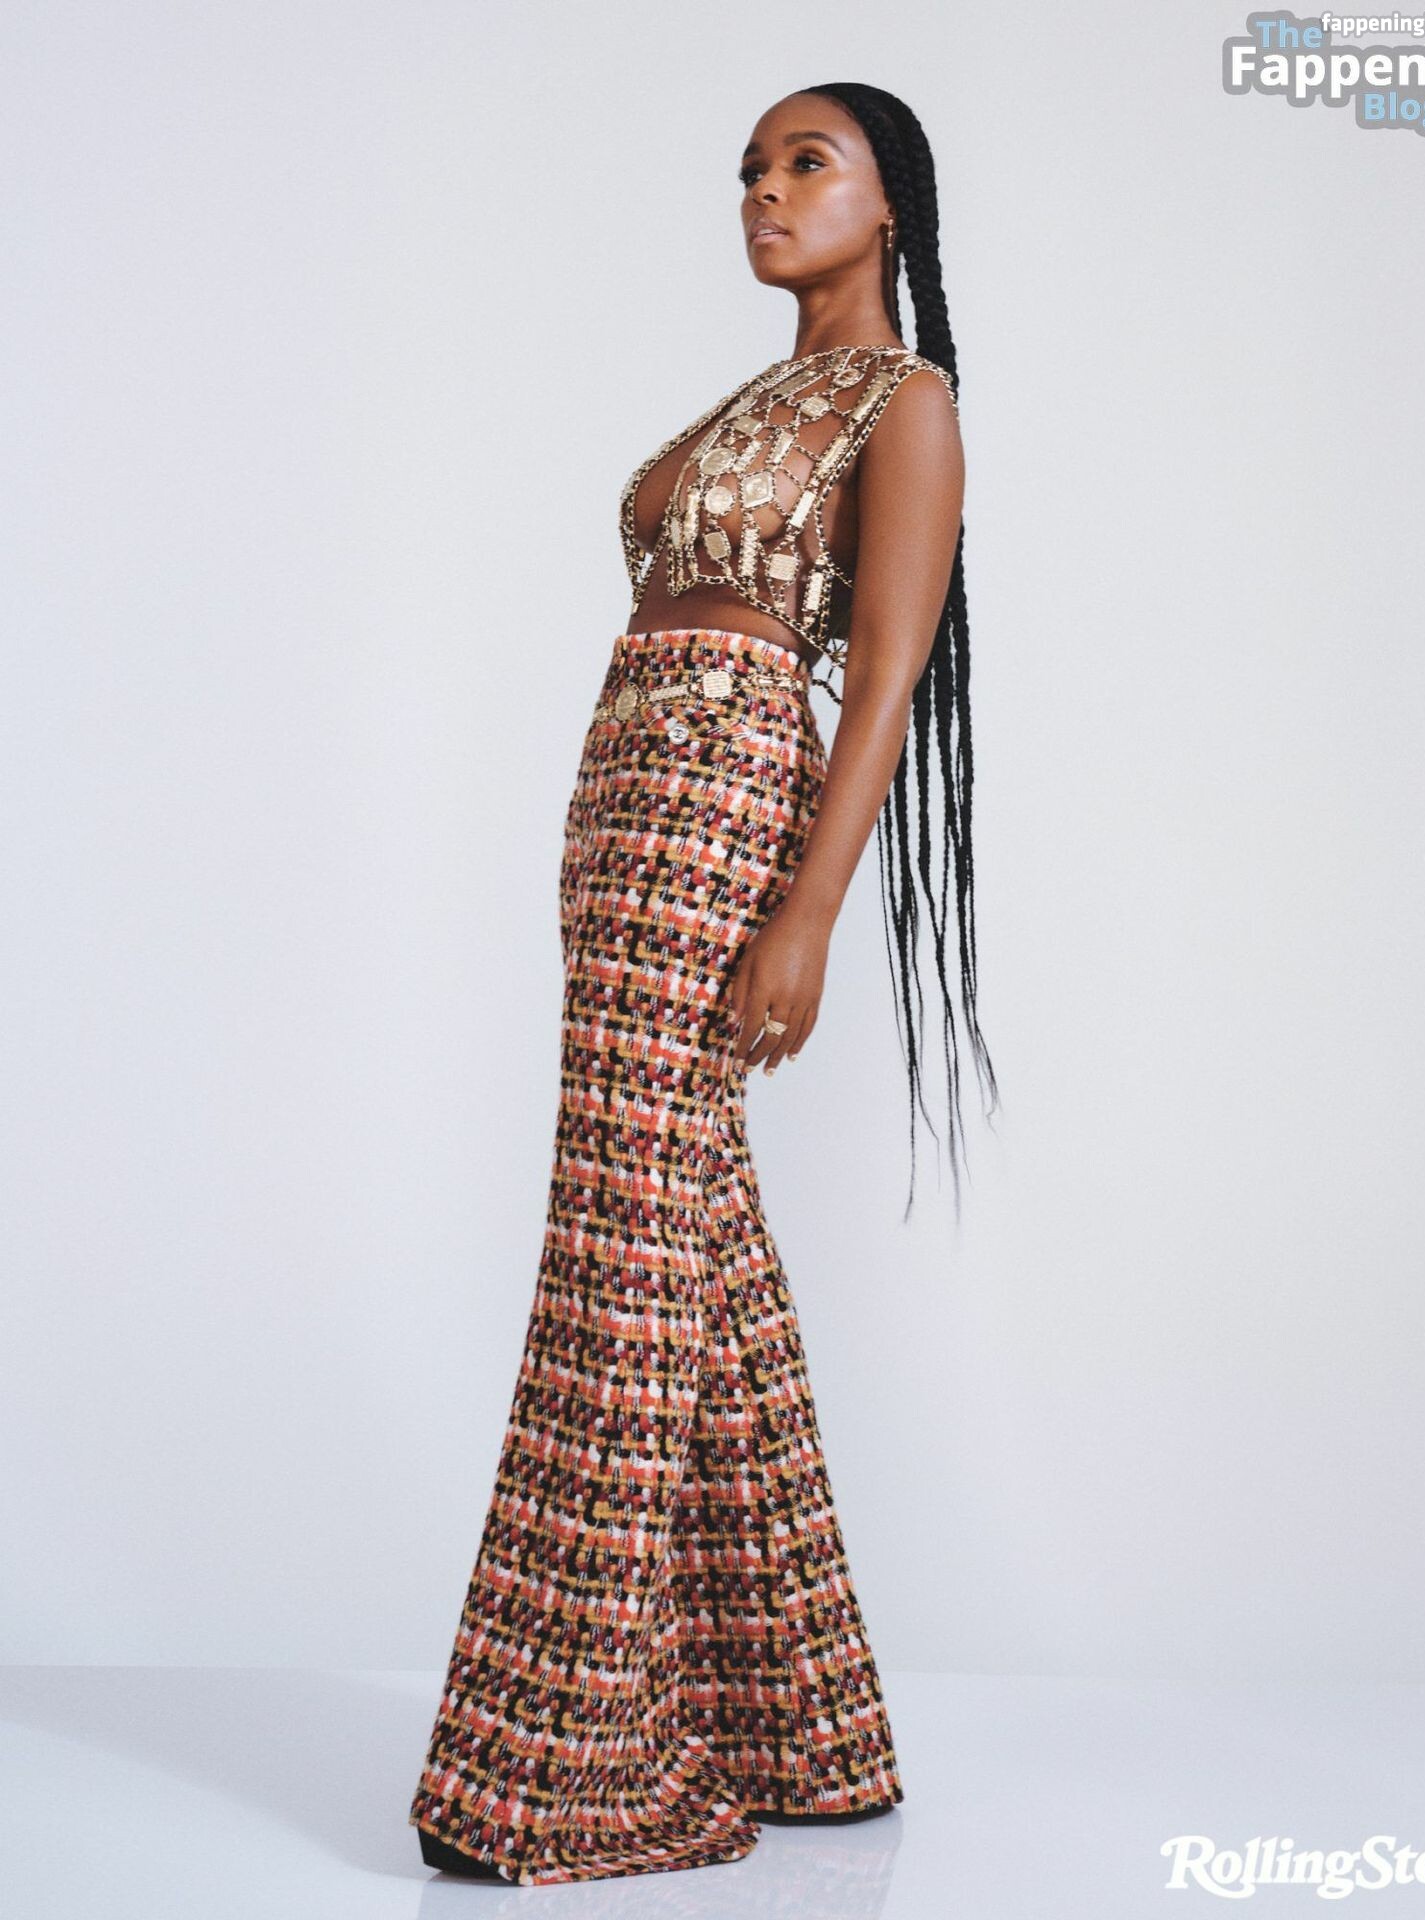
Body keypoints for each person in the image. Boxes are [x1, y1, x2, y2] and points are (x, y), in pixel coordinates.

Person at [407, 80, 998, 1887]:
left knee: (622, 1242)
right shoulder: (743, 402)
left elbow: (883, 674)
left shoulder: (906, 404)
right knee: (684, 1222)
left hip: (734, 791)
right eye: (749, 168)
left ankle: (557, 1755)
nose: (764, 190)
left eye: (807, 163)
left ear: (889, 202)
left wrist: (810, 912)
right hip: (623, 791)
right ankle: (811, 1726)